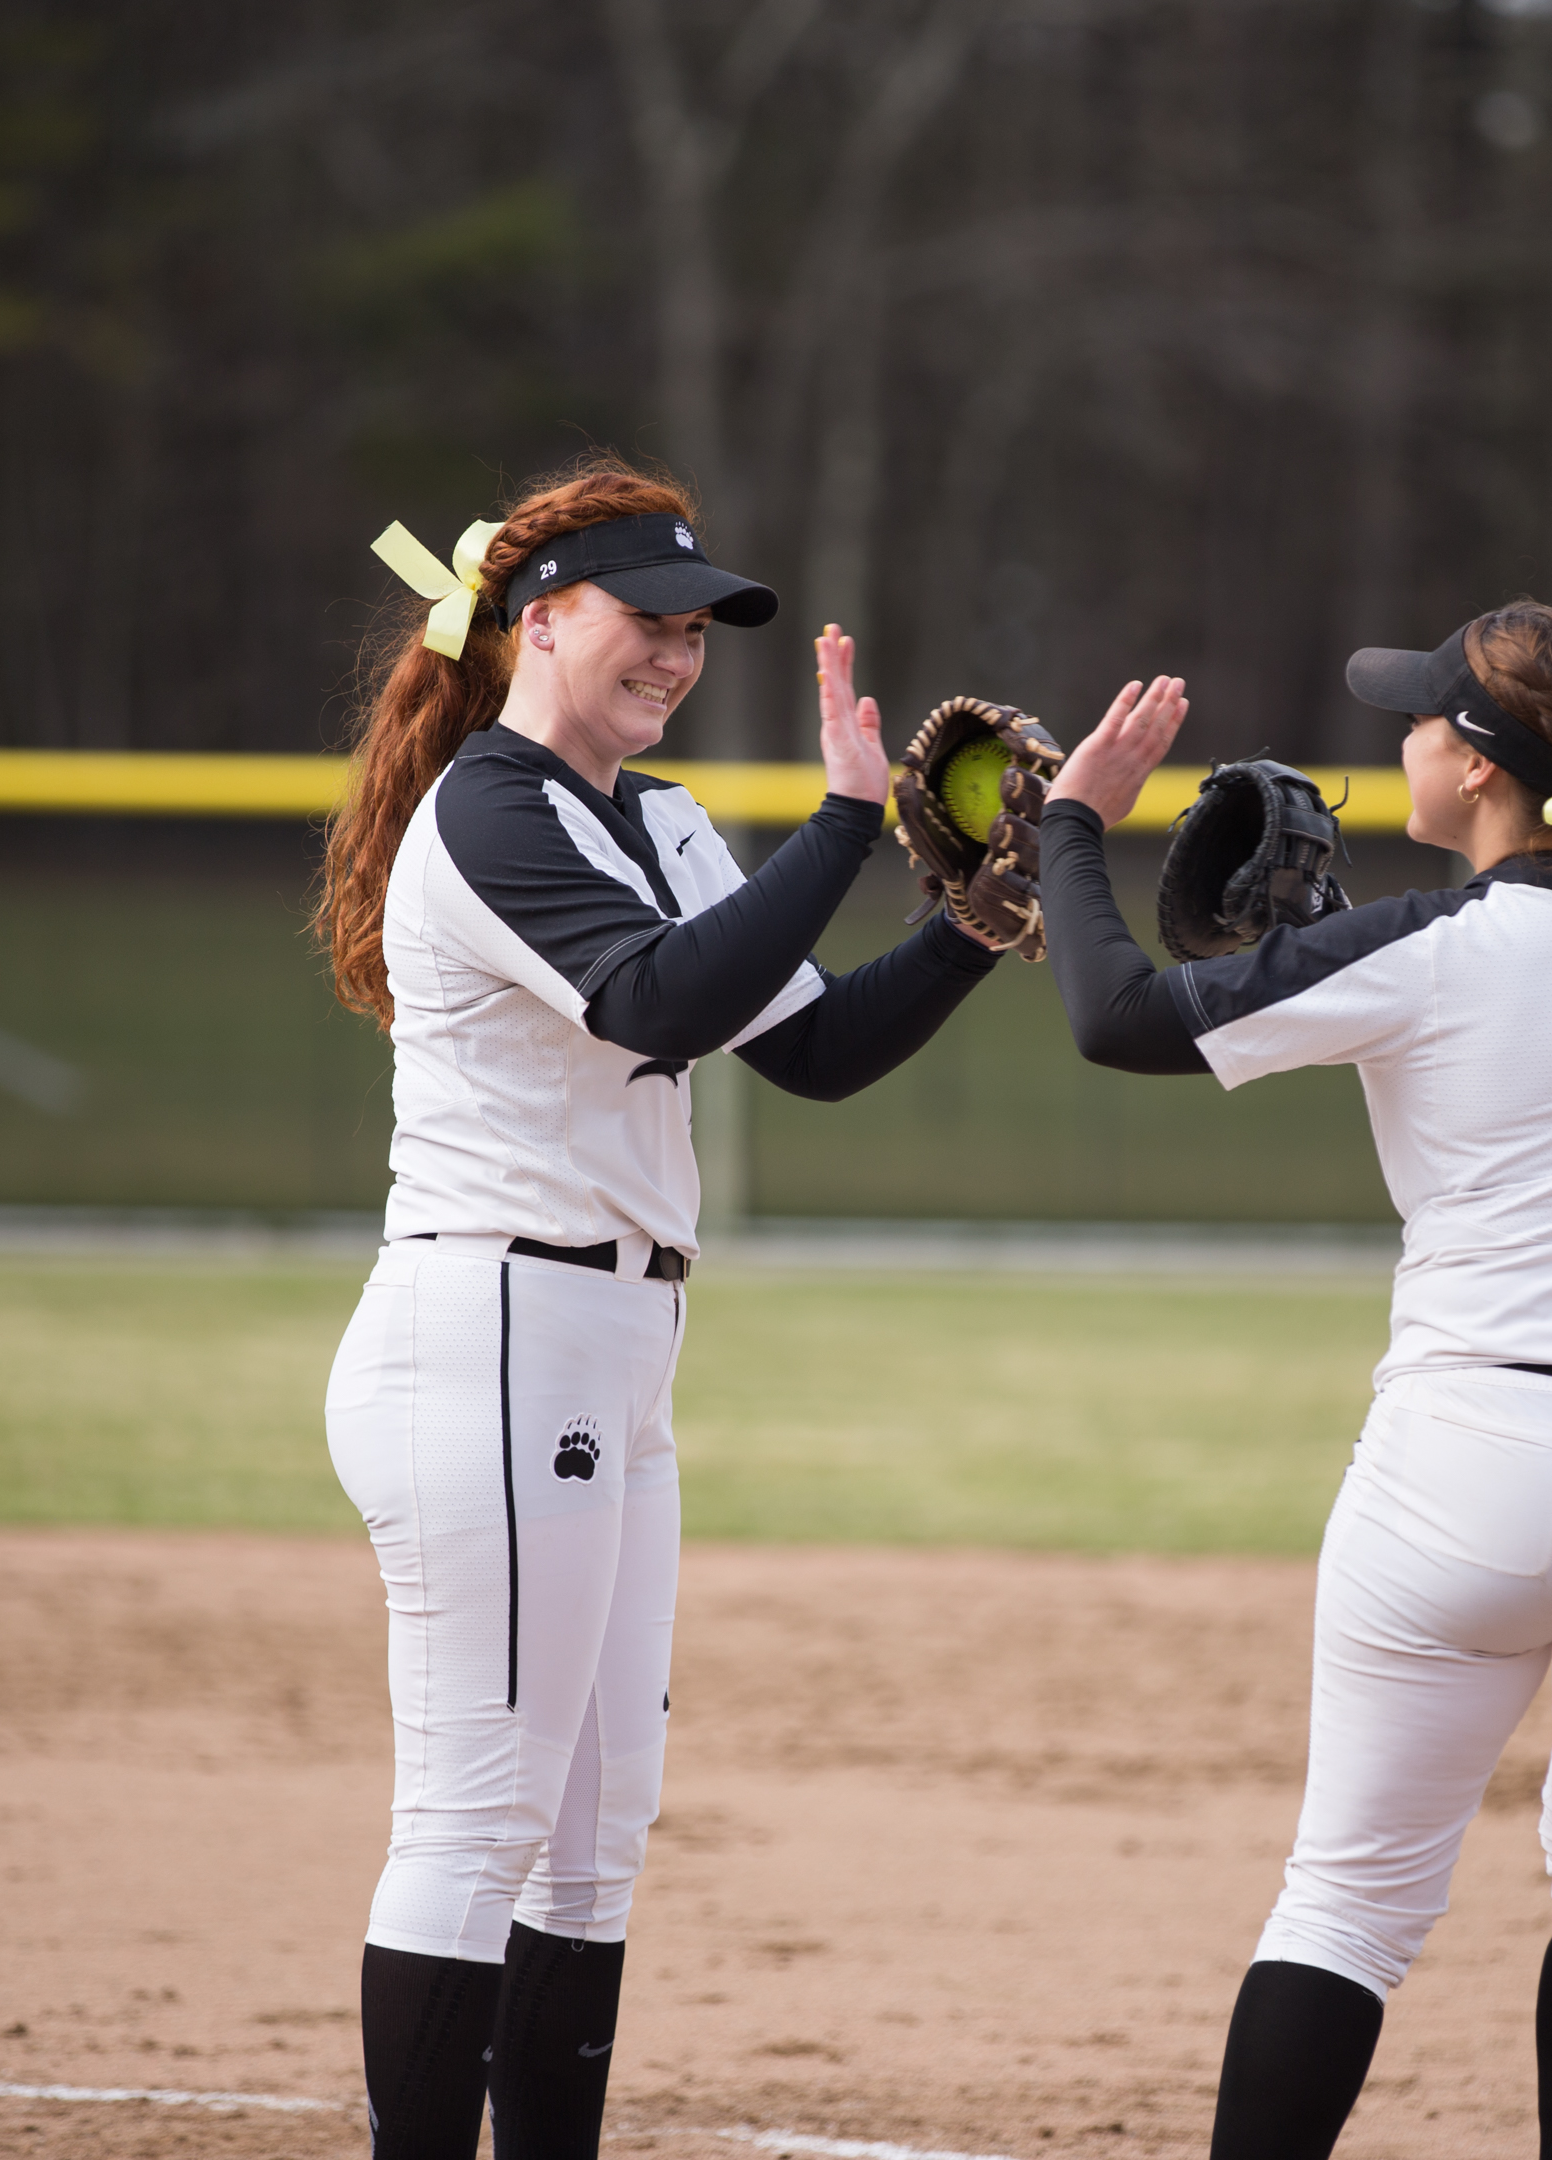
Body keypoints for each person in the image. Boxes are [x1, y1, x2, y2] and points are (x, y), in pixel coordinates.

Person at [1038, 604, 1552, 2160]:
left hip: (1480, 1461)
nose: (1400, 737)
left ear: (1474, 766)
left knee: (1352, 1898)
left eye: (1421, 720)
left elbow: (1116, 1019)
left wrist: (1070, 828)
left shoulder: (1428, 947)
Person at [310, 456, 1003, 2160]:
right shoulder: (490, 804)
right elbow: (650, 1007)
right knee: (480, 1825)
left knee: (597, 1836)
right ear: (541, 624)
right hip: (488, 1331)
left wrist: (979, 915)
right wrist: (846, 825)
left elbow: (815, 1046)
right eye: (651, 619)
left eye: (701, 630)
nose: (681, 653)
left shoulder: (664, 820)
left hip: (608, 1351)